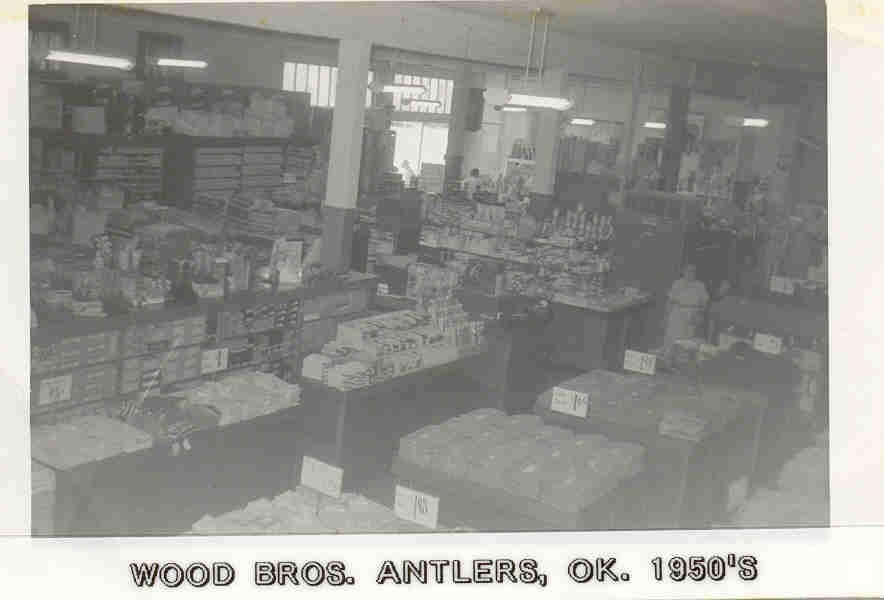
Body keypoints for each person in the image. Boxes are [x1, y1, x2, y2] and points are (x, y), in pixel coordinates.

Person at [663, 263, 710, 360]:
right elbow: (670, 300)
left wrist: (699, 314)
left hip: (693, 313)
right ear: (683, 272)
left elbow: (705, 303)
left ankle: (681, 360)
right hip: (677, 311)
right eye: (688, 271)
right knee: (673, 337)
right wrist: (666, 315)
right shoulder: (677, 283)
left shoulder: (700, 285)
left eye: (693, 271)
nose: (690, 273)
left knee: (687, 339)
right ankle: (667, 359)